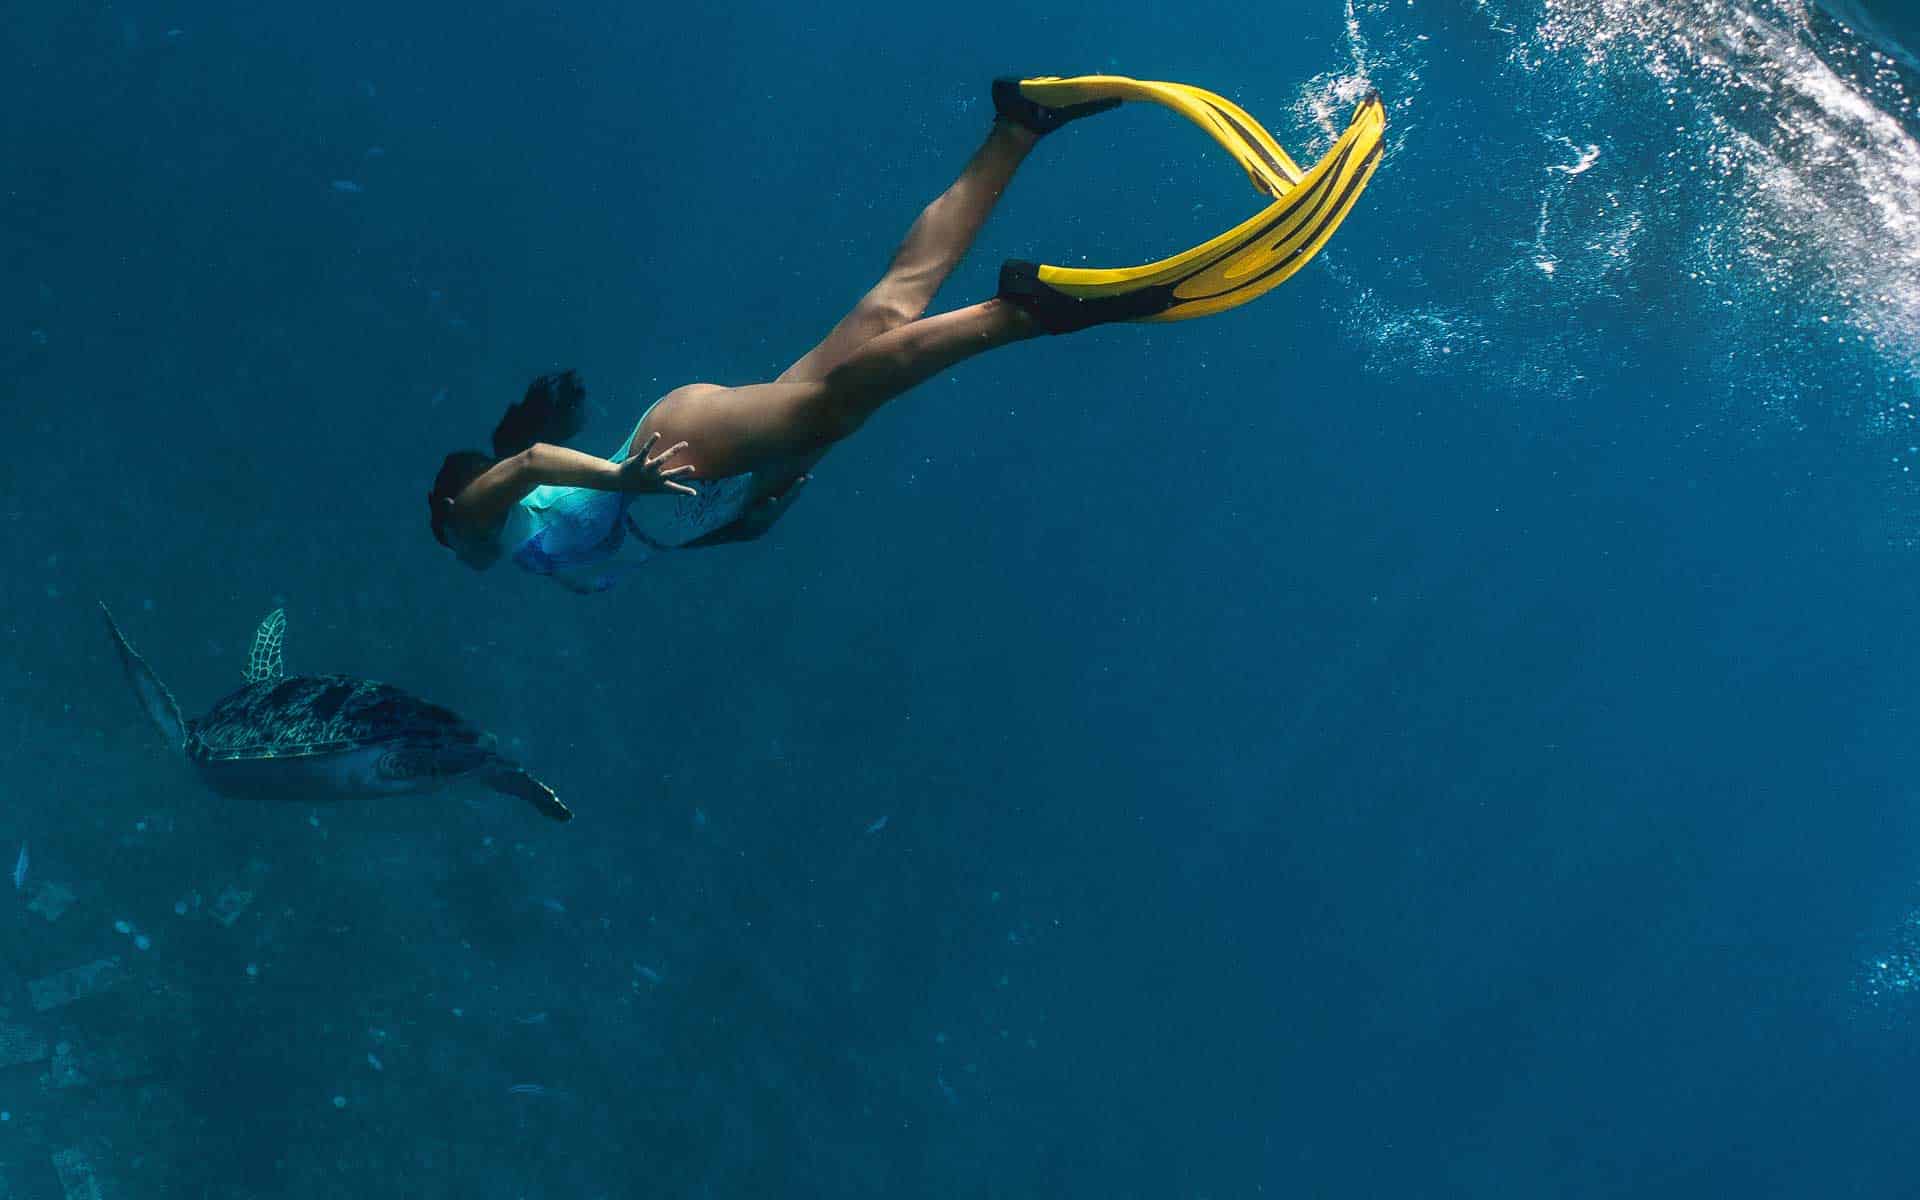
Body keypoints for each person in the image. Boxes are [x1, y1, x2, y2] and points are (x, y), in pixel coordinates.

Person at [426, 76, 1386, 592]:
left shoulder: (475, 520)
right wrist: (753, 511)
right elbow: (606, 515)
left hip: (670, 455)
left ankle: (1025, 312)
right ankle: (1019, 124)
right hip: (691, 461)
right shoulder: (523, 547)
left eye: (451, 534)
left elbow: (531, 463)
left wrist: (630, 479)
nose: (460, 553)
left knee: (842, 399)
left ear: (449, 508)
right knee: (887, 310)